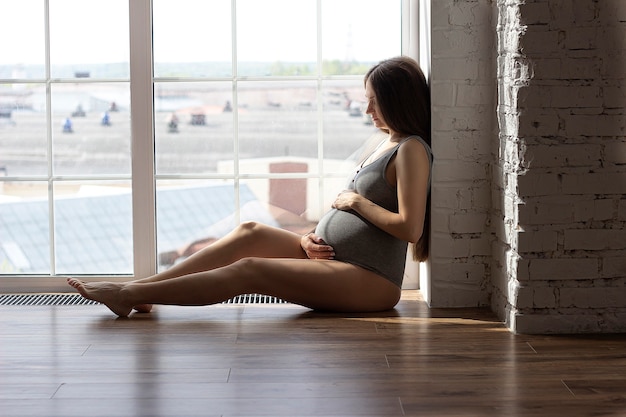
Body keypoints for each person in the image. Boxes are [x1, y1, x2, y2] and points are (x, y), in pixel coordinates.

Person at [67, 56, 433, 318]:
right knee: (249, 231)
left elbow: (410, 228)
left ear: (397, 100)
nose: (367, 110)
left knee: (250, 269)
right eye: (366, 100)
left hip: (368, 280)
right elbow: (344, 213)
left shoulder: (411, 148)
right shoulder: (384, 141)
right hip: (333, 258)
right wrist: (310, 237)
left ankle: (128, 293)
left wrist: (355, 202)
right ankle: (146, 291)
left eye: (375, 101)